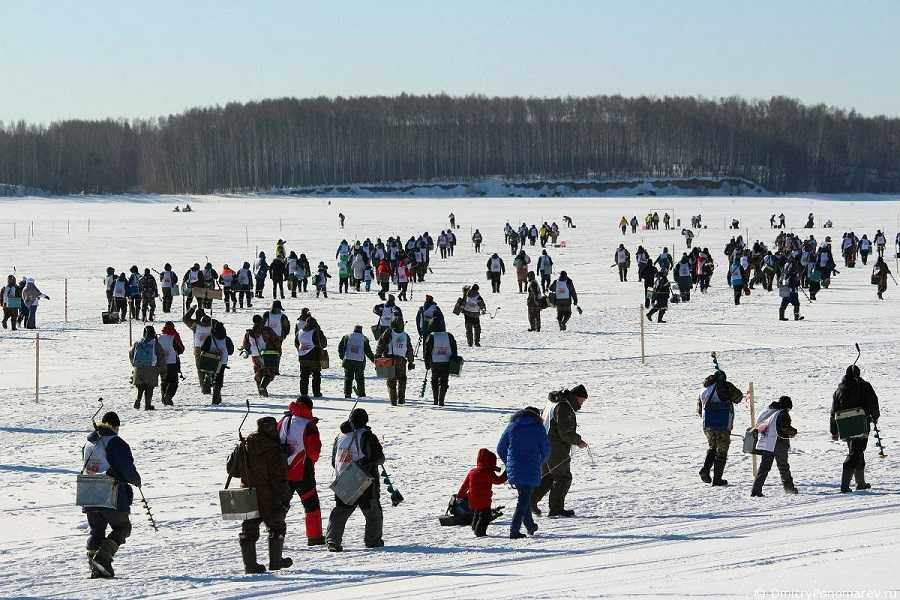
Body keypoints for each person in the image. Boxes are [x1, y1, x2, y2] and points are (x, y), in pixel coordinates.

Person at [80, 411, 142, 579]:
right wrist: (136, 480)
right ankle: (103, 558)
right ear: (115, 427)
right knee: (123, 527)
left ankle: (95, 566)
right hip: (110, 489)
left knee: (97, 529)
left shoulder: (89, 442)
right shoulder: (115, 441)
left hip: (88, 489)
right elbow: (126, 467)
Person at [238, 416, 293, 574]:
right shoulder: (274, 449)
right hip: (269, 493)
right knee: (277, 526)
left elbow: (232, 469)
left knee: (249, 529)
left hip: (248, 491)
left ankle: (250, 565)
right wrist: (285, 496)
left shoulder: (245, 444)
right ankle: (275, 561)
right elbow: (279, 477)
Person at [325, 408, 385, 552]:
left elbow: (334, 461)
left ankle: (333, 540)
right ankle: (373, 540)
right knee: (373, 512)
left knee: (340, 512)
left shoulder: (340, 436)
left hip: (343, 477)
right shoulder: (367, 435)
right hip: (362, 478)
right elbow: (379, 458)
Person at [532, 385, 588, 517]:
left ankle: (530, 500)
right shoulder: (564, 407)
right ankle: (556, 509)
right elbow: (565, 432)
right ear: (576, 397)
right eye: (582, 401)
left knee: (548, 477)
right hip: (555, 448)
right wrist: (578, 441)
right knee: (563, 477)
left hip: (542, 444)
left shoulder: (553, 402)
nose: (581, 404)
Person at [497, 406, 549, 539]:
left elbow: (500, 448)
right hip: (530, 467)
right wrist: (539, 462)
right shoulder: (538, 427)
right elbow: (546, 451)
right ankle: (514, 530)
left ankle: (530, 525)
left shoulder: (512, 425)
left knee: (524, 497)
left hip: (515, 469)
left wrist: (509, 463)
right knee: (523, 499)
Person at [278, 397, 325, 547]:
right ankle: (315, 538)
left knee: (282, 505)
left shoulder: (283, 420)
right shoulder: (308, 425)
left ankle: (276, 537)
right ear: (309, 408)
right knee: (311, 505)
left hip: (283, 470)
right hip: (303, 472)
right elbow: (314, 452)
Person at [831, 365, 881, 492]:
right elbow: (873, 402)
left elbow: (833, 412)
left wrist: (834, 431)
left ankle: (860, 483)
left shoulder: (838, 390)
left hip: (845, 427)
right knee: (856, 452)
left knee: (857, 451)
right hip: (860, 424)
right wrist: (875, 417)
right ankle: (845, 485)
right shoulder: (864, 386)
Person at [697, 369, 744, 486]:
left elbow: (699, 409)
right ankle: (717, 479)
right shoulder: (723, 386)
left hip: (707, 424)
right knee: (722, 451)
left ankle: (705, 469)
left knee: (712, 447)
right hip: (722, 424)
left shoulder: (703, 389)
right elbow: (738, 397)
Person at [750, 396, 798, 497]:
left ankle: (756, 490)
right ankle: (789, 489)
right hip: (778, 443)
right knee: (783, 466)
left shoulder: (770, 412)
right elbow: (784, 428)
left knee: (764, 468)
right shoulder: (783, 413)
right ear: (787, 406)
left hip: (766, 443)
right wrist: (794, 432)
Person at [456, 449, 507, 537]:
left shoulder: (472, 471)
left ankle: (474, 527)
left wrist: (460, 495)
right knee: (485, 516)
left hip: (472, 499)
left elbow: (465, 485)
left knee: (477, 513)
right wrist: (507, 472)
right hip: (483, 500)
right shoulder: (487, 473)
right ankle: (480, 532)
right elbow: (498, 480)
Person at [376, 318, 415, 405]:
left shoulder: (388, 332)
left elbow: (381, 343)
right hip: (401, 360)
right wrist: (411, 361)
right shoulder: (406, 336)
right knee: (402, 380)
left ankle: (393, 401)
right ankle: (401, 399)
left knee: (391, 381)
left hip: (389, 359)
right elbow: (409, 349)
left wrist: (378, 355)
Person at [241, 314, 281, 397]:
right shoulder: (267, 330)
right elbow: (276, 340)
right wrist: (277, 349)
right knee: (269, 372)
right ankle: (263, 387)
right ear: (261, 321)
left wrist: (249, 351)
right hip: (267, 354)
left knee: (258, 371)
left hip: (255, 355)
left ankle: (260, 389)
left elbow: (245, 344)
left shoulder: (249, 333)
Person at [129, 325, 166, 410]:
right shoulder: (155, 344)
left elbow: (131, 353)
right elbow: (161, 357)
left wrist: (135, 364)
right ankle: (147, 405)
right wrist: (162, 370)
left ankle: (138, 400)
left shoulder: (138, 343)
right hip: (151, 369)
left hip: (139, 369)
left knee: (140, 386)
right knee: (149, 388)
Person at [424, 318, 458, 406]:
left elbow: (427, 352)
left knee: (434, 381)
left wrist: (427, 363)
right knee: (444, 381)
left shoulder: (431, 336)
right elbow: (454, 349)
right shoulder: (449, 336)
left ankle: (435, 400)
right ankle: (441, 400)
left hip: (435, 362)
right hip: (446, 362)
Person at [295, 310, 327, 398]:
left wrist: (301, 350)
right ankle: (316, 392)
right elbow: (323, 343)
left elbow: (296, 343)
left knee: (304, 376)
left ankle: (303, 393)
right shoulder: (316, 332)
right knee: (316, 375)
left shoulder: (299, 332)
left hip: (302, 357)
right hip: (314, 358)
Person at [338, 325, 375, 398]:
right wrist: (374, 360)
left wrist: (342, 357)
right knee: (360, 379)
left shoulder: (347, 336)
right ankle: (361, 394)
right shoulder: (364, 338)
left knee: (348, 378)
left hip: (348, 361)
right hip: (359, 362)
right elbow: (368, 352)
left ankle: (347, 394)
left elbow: (340, 347)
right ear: (361, 330)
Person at [157, 321, 185, 405]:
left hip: (161, 362)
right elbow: (181, 349)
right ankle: (168, 397)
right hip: (172, 362)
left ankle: (164, 399)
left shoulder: (159, 337)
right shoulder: (174, 336)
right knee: (173, 382)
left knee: (164, 381)